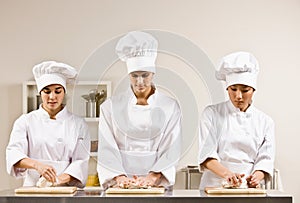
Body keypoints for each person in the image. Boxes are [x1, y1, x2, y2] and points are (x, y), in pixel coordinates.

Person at [97, 31, 182, 189]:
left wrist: (153, 177)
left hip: (156, 184)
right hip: (120, 184)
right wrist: (119, 177)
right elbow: (107, 147)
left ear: (153, 73)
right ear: (129, 74)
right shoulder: (110, 107)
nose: (140, 81)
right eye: (134, 75)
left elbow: (172, 147)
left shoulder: (169, 106)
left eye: (145, 75)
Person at [6, 61, 91, 188]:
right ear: (40, 93)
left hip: (64, 188)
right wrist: (37, 165)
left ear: (64, 92)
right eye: (47, 91)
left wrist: (58, 179)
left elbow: (81, 161)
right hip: (33, 187)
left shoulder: (78, 124)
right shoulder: (25, 121)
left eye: (58, 91)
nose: (52, 97)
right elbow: (14, 153)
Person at [198, 51, 275, 189]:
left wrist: (256, 177)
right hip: (214, 186)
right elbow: (207, 155)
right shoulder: (211, 114)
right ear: (227, 88)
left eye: (245, 90)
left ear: (253, 90)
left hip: (248, 187)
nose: (238, 96)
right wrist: (228, 174)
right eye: (233, 89)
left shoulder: (265, 121)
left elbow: (266, 159)